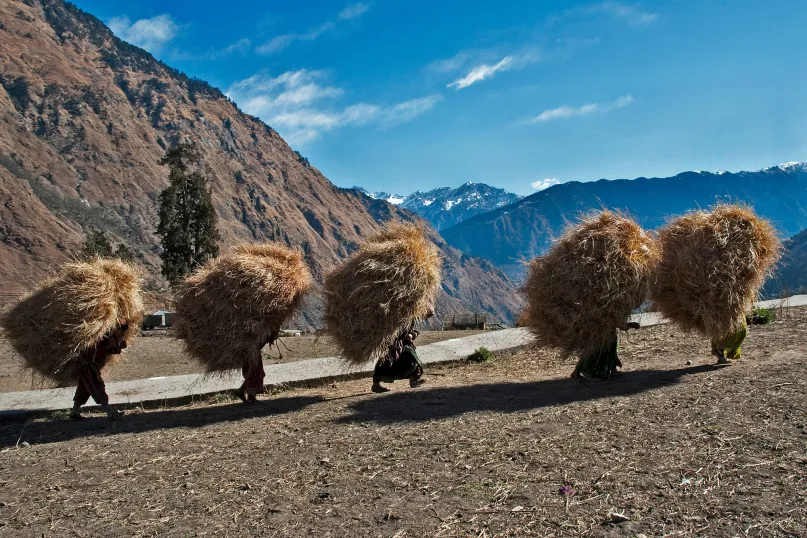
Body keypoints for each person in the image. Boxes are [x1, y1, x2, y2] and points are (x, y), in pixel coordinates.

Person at [70, 322, 129, 421]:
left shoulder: (107, 338)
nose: (122, 334)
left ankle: (73, 412)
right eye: (122, 331)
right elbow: (103, 350)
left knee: (83, 390)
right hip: (88, 367)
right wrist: (118, 345)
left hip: (87, 367)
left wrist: (119, 345)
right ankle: (110, 413)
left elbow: (109, 350)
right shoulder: (105, 339)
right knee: (98, 388)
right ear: (117, 329)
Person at [571, 321, 641, 381]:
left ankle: (614, 372)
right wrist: (631, 325)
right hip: (600, 335)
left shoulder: (609, 309)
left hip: (608, 335)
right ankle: (576, 372)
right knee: (591, 353)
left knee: (611, 352)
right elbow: (619, 324)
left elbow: (618, 323)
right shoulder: (607, 310)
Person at [371, 327, 425, 393]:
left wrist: (411, 334)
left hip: (402, 341)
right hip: (391, 341)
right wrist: (410, 335)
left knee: (411, 356)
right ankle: (376, 385)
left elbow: (405, 329)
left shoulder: (410, 319)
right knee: (385, 360)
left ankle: (413, 379)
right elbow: (395, 330)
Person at [234, 329, 277, 403]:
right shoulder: (251, 329)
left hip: (253, 351)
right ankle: (250, 398)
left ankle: (241, 391)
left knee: (258, 373)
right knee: (253, 374)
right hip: (249, 352)